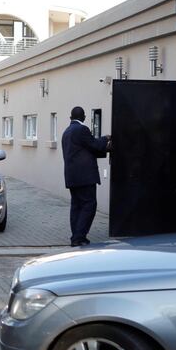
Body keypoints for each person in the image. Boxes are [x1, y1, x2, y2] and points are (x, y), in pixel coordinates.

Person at [61, 106, 111, 247]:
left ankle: (76, 236)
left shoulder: (66, 132)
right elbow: (94, 145)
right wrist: (105, 138)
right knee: (89, 205)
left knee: (76, 206)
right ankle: (78, 237)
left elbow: (85, 149)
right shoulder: (81, 129)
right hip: (85, 177)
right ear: (83, 117)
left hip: (72, 177)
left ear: (71, 117)